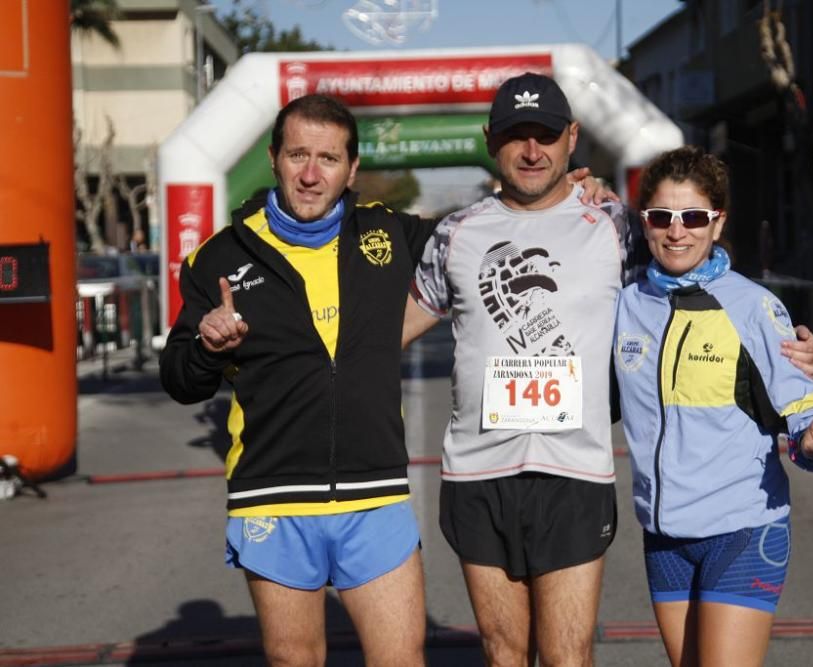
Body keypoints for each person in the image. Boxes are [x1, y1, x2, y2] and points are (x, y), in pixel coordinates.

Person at [159, 92, 612, 667]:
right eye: (298, 155)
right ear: (273, 158)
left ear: (352, 169)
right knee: (294, 660)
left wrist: (574, 196)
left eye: (327, 159)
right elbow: (179, 379)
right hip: (271, 494)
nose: (310, 173)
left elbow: (493, 231)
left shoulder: (390, 236)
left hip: (376, 496)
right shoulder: (219, 257)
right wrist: (204, 344)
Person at [403, 74, 813, 666]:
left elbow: (697, 275)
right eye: (515, 136)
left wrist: (788, 342)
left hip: (574, 475)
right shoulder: (454, 234)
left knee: (568, 653)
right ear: (489, 139)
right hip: (477, 475)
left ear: (572, 138)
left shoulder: (620, 226)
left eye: (545, 135)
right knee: (502, 653)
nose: (531, 151)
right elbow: (389, 331)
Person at [612, 146, 813, 667]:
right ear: (644, 224)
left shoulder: (752, 305)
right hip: (663, 537)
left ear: (717, 224)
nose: (678, 232)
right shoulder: (626, 304)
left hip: (742, 529)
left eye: (694, 217)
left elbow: (802, 399)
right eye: (662, 217)